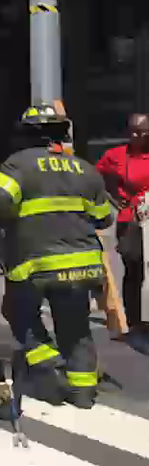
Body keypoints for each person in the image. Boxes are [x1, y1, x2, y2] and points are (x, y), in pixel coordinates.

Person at [0, 103, 113, 408]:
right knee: (76, 328)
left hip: (34, 264)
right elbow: (103, 217)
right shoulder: (85, 168)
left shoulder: (17, 165)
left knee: (18, 312)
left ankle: (51, 368)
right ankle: (83, 393)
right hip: (82, 263)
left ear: (25, 134)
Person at [96, 113, 149, 336]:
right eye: (134, 132)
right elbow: (93, 177)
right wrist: (112, 198)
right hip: (131, 218)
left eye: (144, 132)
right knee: (133, 265)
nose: (139, 136)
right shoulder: (115, 156)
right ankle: (134, 319)